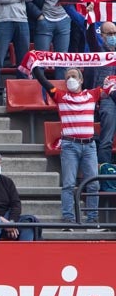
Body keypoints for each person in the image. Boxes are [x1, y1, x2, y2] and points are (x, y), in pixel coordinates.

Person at [34, 67, 103, 224]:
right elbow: (42, 80)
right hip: (70, 145)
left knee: (93, 184)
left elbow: (109, 83)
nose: (70, 80)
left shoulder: (92, 94)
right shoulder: (60, 96)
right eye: (67, 78)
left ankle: (93, 220)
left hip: (89, 146)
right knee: (68, 184)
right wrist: (35, 64)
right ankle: (68, 219)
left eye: (73, 76)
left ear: (81, 80)